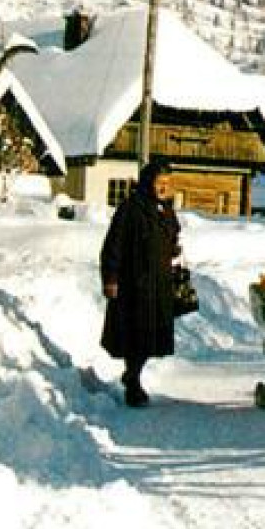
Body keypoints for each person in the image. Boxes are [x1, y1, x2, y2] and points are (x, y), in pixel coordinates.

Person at [99, 157, 182, 407]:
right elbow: (113, 245)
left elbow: (172, 234)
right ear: (148, 183)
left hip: (158, 284)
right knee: (136, 336)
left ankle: (132, 375)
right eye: (159, 182)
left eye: (167, 182)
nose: (163, 187)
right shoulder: (130, 208)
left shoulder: (166, 208)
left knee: (151, 336)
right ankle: (132, 382)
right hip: (134, 284)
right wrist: (111, 278)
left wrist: (172, 250)